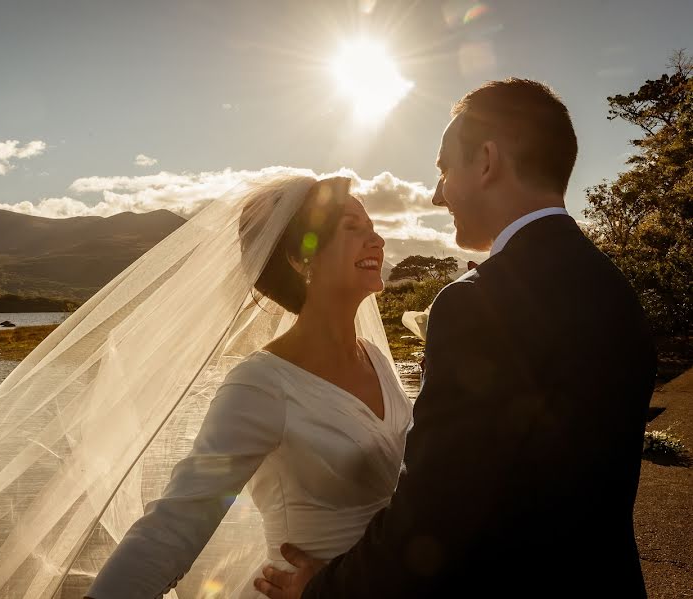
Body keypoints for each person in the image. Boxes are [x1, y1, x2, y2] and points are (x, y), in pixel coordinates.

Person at [256, 78, 657, 598]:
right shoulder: (615, 290)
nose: (435, 192)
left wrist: (321, 591)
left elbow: (437, 512)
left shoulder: (478, 303)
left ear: (487, 161)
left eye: (444, 168)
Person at [84, 176, 413, 598]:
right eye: (353, 227)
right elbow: (177, 521)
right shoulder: (261, 385)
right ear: (300, 257)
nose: (377, 239)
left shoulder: (376, 359)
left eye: (372, 226)